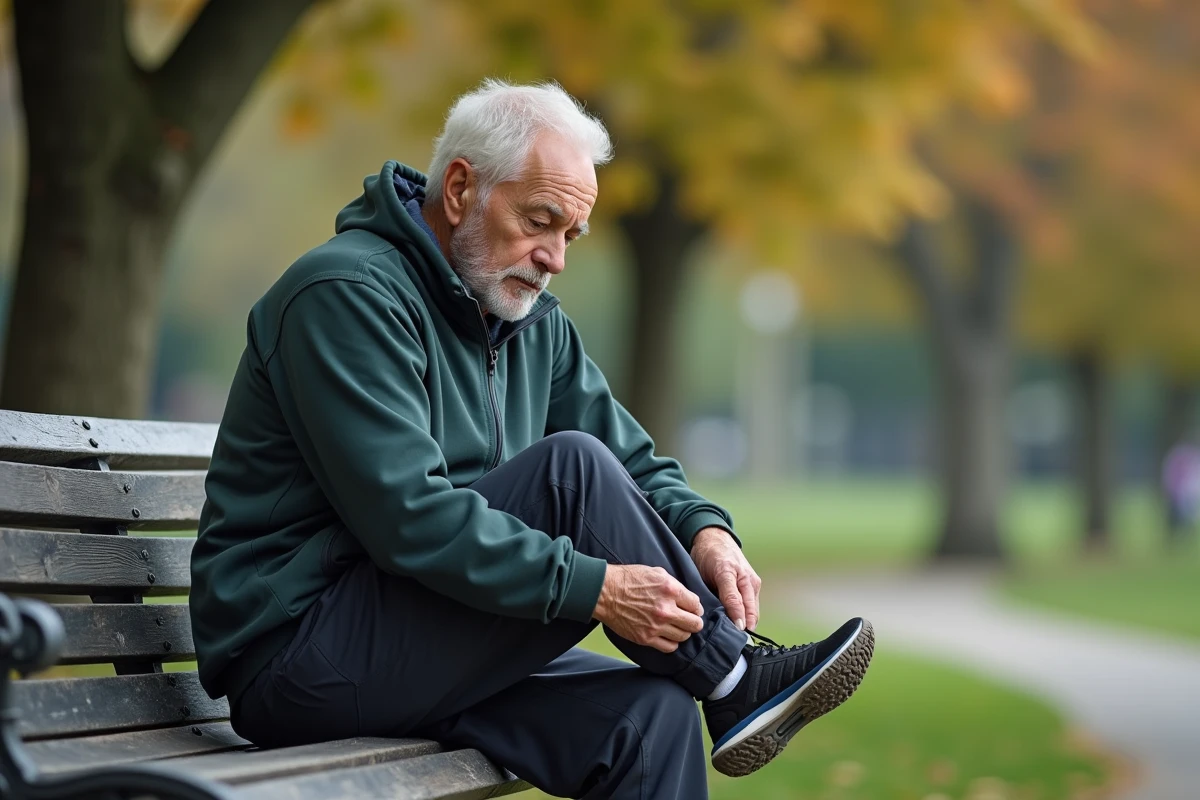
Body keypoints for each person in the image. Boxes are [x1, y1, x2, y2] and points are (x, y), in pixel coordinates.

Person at [189, 79, 874, 799]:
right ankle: (732, 680)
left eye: (569, 235)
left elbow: (633, 460)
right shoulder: (345, 296)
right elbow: (408, 519)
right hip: (302, 658)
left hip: (422, 634)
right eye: (540, 221)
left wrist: (705, 531)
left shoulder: (528, 323)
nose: (555, 258)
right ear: (459, 190)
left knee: (653, 714)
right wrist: (597, 590)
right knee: (568, 474)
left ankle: (721, 682)